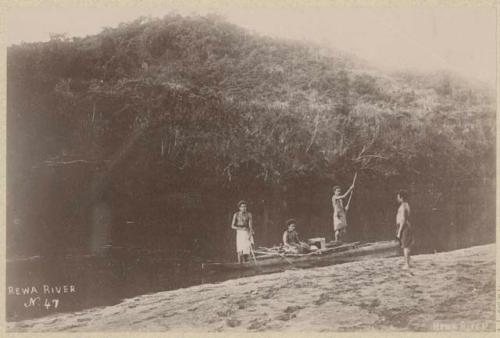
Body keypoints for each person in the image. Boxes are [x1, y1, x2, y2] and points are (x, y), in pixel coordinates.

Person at [396, 190, 414, 269]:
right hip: (407, 226)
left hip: (404, 227)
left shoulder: (403, 206)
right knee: (407, 245)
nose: (397, 198)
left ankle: (407, 264)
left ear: (401, 197)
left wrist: (399, 232)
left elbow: (403, 219)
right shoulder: (407, 205)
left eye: (398, 197)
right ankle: (408, 262)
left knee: (405, 246)